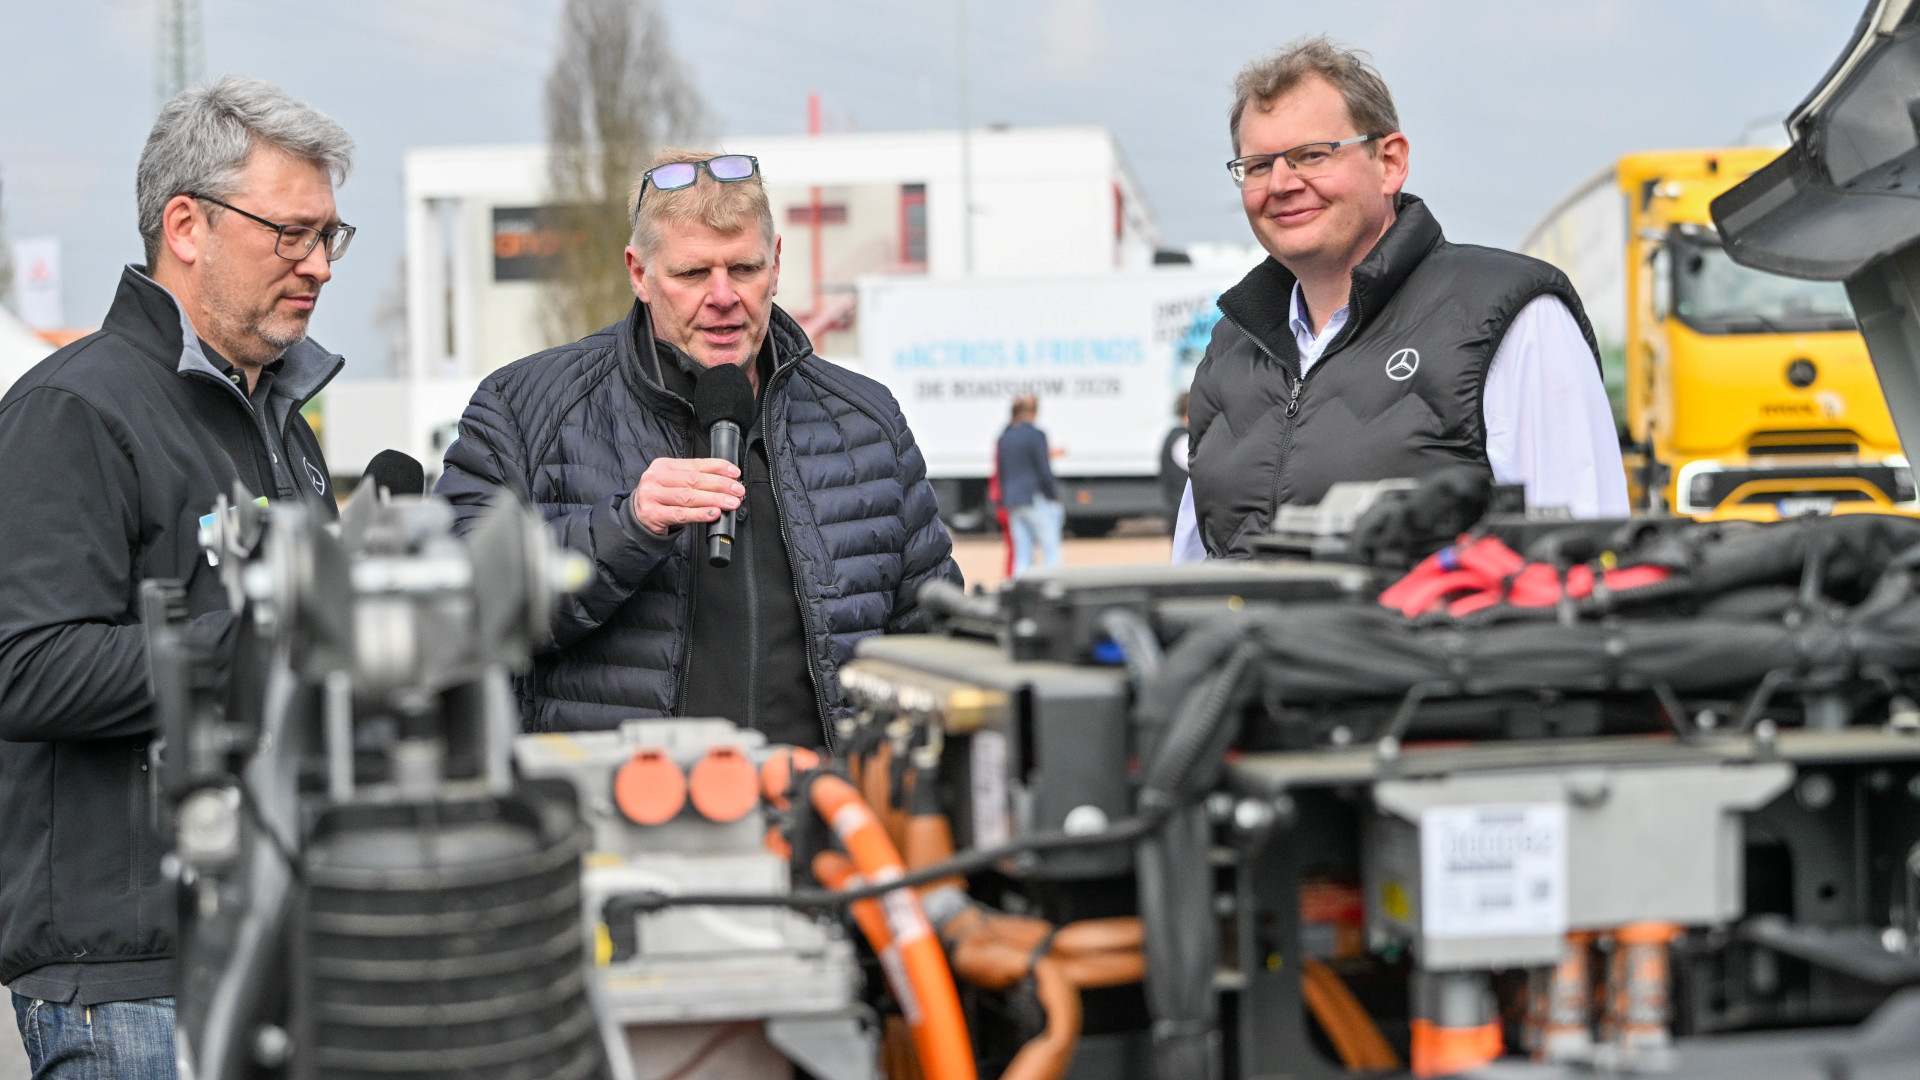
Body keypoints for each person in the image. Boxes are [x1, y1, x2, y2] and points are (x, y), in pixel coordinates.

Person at [0, 76, 353, 1078]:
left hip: (272, 956)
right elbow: (23, 666)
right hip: (133, 990)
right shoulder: (75, 411)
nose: (320, 265)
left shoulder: (279, 419)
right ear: (188, 225)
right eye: (292, 233)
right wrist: (271, 636)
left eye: (331, 236)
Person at [436, 148, 960, 745]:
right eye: (691, 274)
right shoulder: (524, 406)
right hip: (613, 817)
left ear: (777, 261)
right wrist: (626, 528)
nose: (722, 296)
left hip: (818, 813)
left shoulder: (867, 421)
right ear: (639, 273)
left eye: (743, 269)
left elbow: (934, 639)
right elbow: (458, 603)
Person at [1174, 37, 1626, 561]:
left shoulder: (1511, 315)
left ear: (1390, 162)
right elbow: (1194, 565)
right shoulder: (1230, 349)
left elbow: (1586, 566)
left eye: (1311, 156)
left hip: (1431, 645)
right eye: (1256, 165)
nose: (1280, 183)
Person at [996, 394, 1064, 574]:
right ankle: (1053, 582)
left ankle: (1019, 587)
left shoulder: (1006, 437)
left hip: (1012, 499)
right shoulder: (1037, 435)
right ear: (1034, 412)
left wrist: (1004, 498)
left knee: (1022, 550)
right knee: (1050, 544)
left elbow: (1001, 470)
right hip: (1033, 497)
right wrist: (1052, 495)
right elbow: (1044, 469)